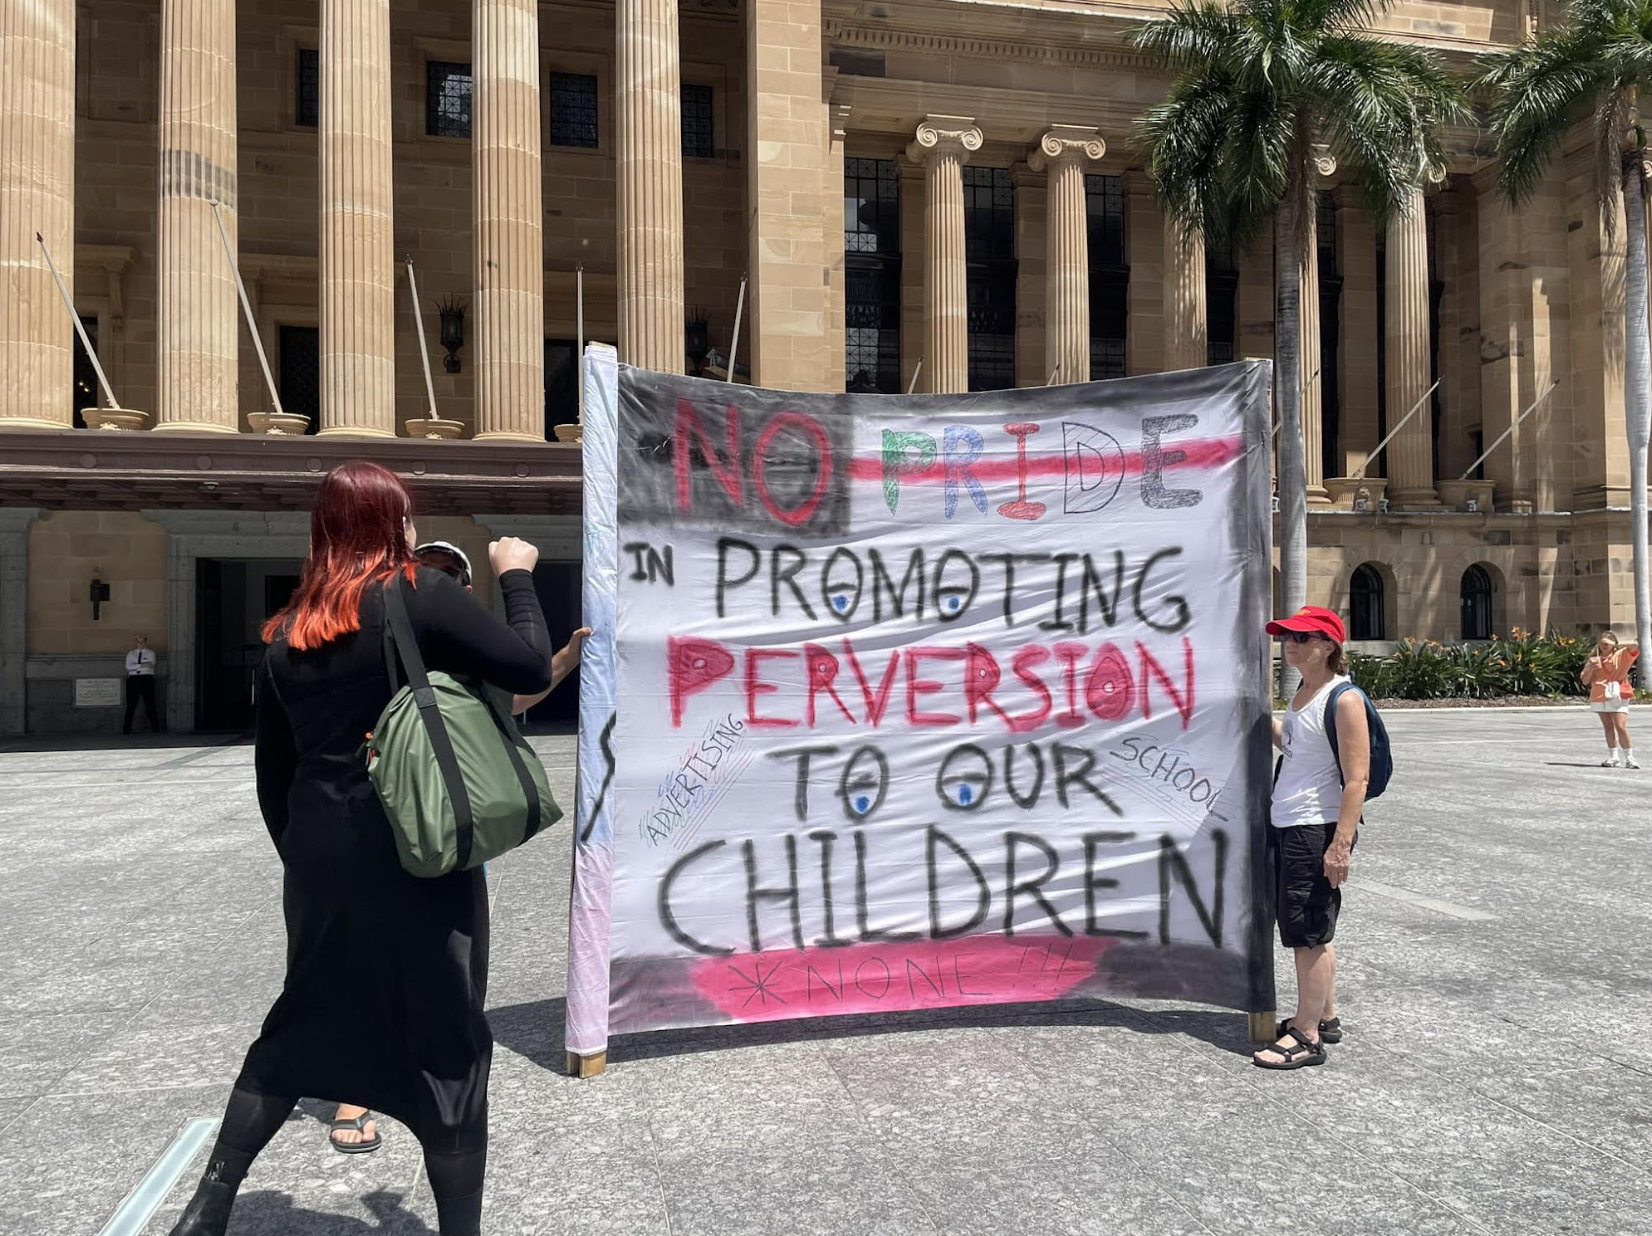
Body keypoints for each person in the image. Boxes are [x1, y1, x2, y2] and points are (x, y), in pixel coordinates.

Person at [169, 462, 555, 1236]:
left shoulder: (286, 632)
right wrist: (516, 577)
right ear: (389, 525)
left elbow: (272, 773)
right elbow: (530, 666)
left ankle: (210, 1204)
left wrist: (310, 862)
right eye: (406, 517)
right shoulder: (420, 593)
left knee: (303, 1019)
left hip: (320, 856)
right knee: (446, 1040)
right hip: (413, 852)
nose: (412, 531)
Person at [326, 538, 590, 1157]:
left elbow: (516, 695)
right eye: (427, 572)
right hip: (370, 824)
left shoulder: (465, 649)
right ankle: (355, 1089)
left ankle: (446, 1072)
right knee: (369, 955)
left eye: (450, 576)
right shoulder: (368, 638)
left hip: (447, 826)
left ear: (463, 590)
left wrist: (568, 659)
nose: (437, 583)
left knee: (454, 956)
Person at [1254, 605, 1370, 1071]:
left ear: (1328, 646)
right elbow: (1298, 748)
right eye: (1287, 637)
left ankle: (1305, 1035)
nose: (1291, 644)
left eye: (1303, 637)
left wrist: (1339, 845)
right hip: (1292, 822)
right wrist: (1262, 718)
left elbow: (1356, 779)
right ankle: (1325, 1015)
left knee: (1307, 933)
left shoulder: (1343, 699)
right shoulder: (1306, 692)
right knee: (1314, 928)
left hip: (1314, 827)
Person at [1582, 629, 1639, 768]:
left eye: (1606, 644)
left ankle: (1629, 758)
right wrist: (1591, 668)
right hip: (1599, 695)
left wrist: (1617, 644)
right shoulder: (1594, 659)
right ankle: (1613, 757)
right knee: (1608, 727)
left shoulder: (1622, 655)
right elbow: (1585, 681)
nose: (1603, 646)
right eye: (1601, 644)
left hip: (1618, 693)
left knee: (1620, 726)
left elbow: (1634, 646)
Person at [123, 634, 160, 734]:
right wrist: (141, 665)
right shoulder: (131, 654)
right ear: (136, 642)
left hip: (146, 678)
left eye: (142, 642)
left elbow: (150, 666)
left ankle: (155, 727)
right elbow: (128, 667)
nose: (140, 644)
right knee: (131, 704)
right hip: (133, 679)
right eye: (138, 642)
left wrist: (136, 666)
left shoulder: (150, 653)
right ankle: (127, 728)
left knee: (150, 703)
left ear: (145, 642)